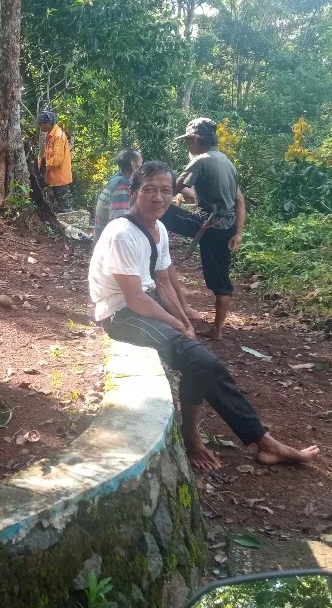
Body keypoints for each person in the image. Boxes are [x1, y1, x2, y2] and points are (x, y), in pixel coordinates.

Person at [88, 160, 319, 471]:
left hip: (143, 304)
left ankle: (262, 440)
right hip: (120, 314)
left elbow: (165, 281)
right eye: (149, 190)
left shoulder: (157, 229)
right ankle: (192, 436)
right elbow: (135, 298)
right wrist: (175, 323)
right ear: (133, 192)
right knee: (200, 361)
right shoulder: (122, 233)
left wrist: (184, 319)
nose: (158, 198)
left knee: (206, 363)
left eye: (166, 191)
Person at [161, 117, 246, 340]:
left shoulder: (201, 161)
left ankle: (149, 241)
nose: (187, 145)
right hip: (226, 227)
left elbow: (170, 190)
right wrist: (238, 232)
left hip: (209, 225)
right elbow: (239, 200)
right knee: (220, 277)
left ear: (197, 139)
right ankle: (217, 329)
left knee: (162, 211)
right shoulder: (226, 161)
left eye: (188, 140)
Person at [94, 147, 142, 243]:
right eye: (141, 163)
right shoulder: (122, 185)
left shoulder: (116, 179)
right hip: (109, 242)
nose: (142, 166)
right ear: (133, 164)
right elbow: (119, 223)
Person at [38, 111, 73, 212]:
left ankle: (70, 225)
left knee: (65, 207)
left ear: (48, 123)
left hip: (60, 177)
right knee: (58, 205)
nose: (41, 127)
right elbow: (48, 154)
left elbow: (57, 159)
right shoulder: (50, 135)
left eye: (42, 124)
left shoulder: (57, 136)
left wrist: (45, 167)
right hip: (54, 176)